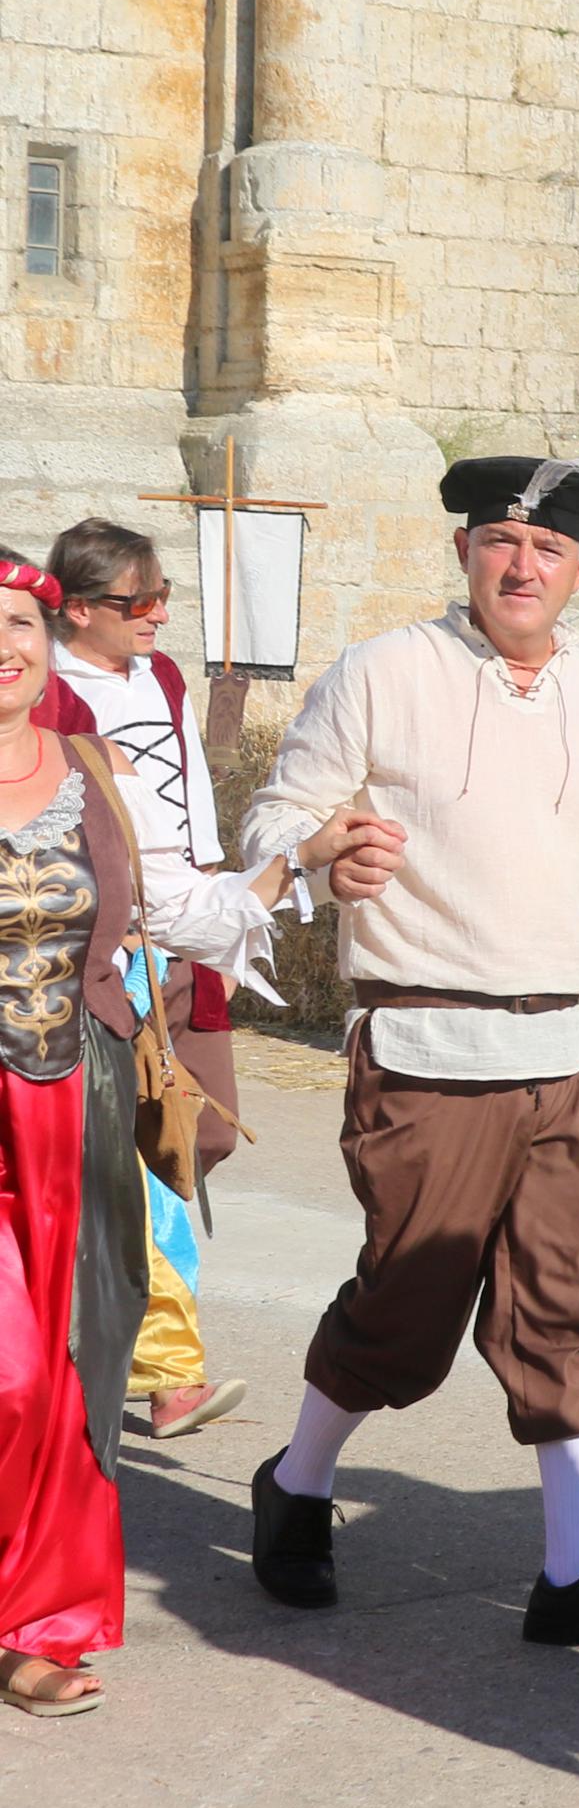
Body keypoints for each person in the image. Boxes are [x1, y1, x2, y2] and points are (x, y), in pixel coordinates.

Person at [238, 457, 579, 1655]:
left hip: (575, 1045)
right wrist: (323, 848)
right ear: (464, 554)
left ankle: (573, 1570)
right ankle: (295, 1483)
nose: (521, 564)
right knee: (408, 1306)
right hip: (429, 1040)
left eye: (547, 550)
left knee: (576, 1305)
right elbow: (275, 815)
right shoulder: (387, 672)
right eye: (500, 539)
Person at [0, 551, 352, 1718]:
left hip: (74, 1107)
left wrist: (290, 869)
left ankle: (41, 1623)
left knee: (69, 1374)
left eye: (21, 624)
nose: (6, 645)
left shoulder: (92, 768)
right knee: (7, 1375)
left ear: (49, 642)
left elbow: (167, 906)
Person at [46, 517, 246, 1441]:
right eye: (139, 602)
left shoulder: (158, 675)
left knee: (180, 1136)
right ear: (77, 609)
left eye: (164, 597)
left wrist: (216, 925)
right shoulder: (42, 691)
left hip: (171, 930)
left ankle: (135, 1354)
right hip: (90, 956)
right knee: (121, 1148)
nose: (159, 616)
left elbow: (190, 796)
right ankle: (165, 1368)